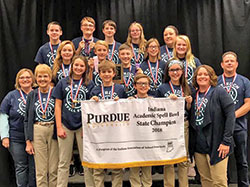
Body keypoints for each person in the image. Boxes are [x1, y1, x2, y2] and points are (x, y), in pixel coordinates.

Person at [189, 65, 235, 187]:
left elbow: (231, 116)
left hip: (218, 145)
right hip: (199, 147)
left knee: (219, 182)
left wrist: (226, 141)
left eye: (205, 74)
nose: (202, 77)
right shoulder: (193, 95)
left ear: (211, 77)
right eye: (199, 74)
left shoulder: (219, 92)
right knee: (206, 181)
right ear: (195, 77)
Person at [53, 55, 95, 187]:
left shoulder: (89, 83)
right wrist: (59, 127)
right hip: (65, 125)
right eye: (76, 65)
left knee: (87, 161)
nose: (78, 68)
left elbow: (91, 107)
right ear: (71, 66)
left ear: (85, 68)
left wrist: (87, 127)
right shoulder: (63, 82)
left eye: (82, 66)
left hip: (83, 126)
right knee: (63, 162)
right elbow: (58, 105)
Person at [155, 58, 192, 187]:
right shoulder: (162, 88)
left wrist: (188, 103)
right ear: (168, 72)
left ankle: (184, 185)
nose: (175, 72)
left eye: (177, 69)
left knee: (183, 158)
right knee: (169, 158)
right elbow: (156, 109)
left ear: (182, 71)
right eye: (172, 70)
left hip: (183, 125)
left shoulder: (187, 87)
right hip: (168, 127)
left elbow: (191, 111)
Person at [90, 60, 126, 187]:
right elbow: (90, 112)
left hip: (116, 132)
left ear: (114, 73)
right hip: (99, 133)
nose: (106, 74)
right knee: (98, 165)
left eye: (109, 72)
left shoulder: (120, 89)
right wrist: (92, 101)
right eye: (103, 72)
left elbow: (127, 108)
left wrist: (120, 101)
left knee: (116, 166)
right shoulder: (95, 90)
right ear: (99, 74)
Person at [218, 51, 250, 187]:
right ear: (222, 64)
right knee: (221, 161)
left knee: (242, 160)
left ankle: (244, 184)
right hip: (221, 128)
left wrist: (232, 116)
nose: (229, 63)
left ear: (236, 64)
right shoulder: (216, 81)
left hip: (239, 127)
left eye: (232, 61)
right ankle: (223, 184)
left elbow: (248, 103)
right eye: (227, 61)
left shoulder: (244, 81)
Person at [0, 68, 36, 187]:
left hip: (35, 137)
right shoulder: (11, 96)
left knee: (35, 167)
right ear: (18, 80)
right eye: (22, 77)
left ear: (32, 80)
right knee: (21, 166)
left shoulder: (38, 94)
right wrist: (4, 136)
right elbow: (3, 115)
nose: (25, 80)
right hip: (16, 138)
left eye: (28, 77)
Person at [24, 64, 58, 187]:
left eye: (45, 76)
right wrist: (28, 140)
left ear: (50, 78)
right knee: (41, 169)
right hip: (37, 129)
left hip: (53, 128)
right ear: (35, 79)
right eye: (39, 76)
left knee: (54, 168)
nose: (42, 79)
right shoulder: (32, 95)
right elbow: (27, 119)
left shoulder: (55, 92)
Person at [129, 73, 152, 187]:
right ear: (135, 86)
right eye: (140, 84)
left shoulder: (155, 101)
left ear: (149, 86)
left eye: (145, 84)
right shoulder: (129, 100)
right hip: (134, 139)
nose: (143, 86)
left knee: (147, 168)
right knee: (134, 168)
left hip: (148, 139)